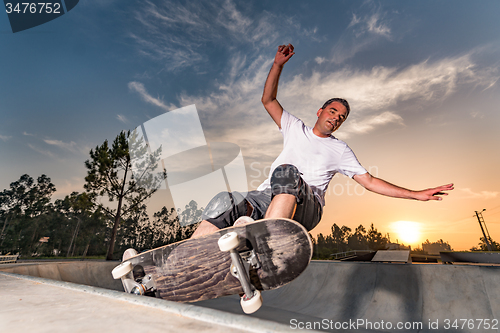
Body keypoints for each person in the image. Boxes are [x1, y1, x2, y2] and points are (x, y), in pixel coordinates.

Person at [191, 44, 453, 238]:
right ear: (320, 111)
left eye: (342, 117)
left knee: (286, 173)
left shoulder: (339, 149)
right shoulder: (294, 127)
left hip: (306, 207)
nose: (336, 118)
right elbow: (268, 100)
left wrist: (415, 195)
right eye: (332, 111)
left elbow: (370, 182)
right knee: (225, 203)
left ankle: (265, 244)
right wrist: (278, 66)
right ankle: (177, 265)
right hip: (267, 198)